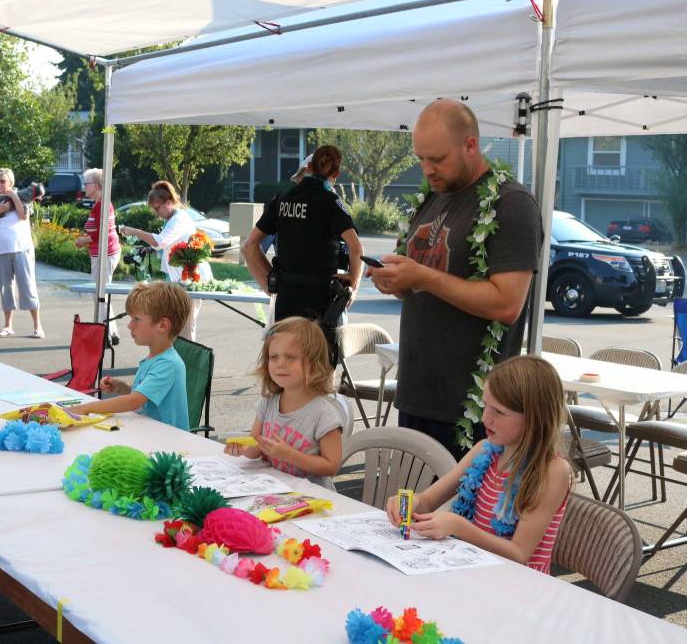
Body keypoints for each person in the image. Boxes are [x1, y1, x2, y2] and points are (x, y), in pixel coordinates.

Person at [368, 100, 543, 460]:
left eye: (437, 158)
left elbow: (507, 304)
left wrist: (423, 277)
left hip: (474, 408)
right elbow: (430, 284)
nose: (427, 169)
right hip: (418, 392)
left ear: (470, 146)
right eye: (420, 158)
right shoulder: (432, 197)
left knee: (457, 515)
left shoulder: (511, 204)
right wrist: (400, 282)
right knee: (412, 510)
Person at [385, 356, 572, 574]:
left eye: (498, 412)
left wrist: (458, 526)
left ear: (534, 417)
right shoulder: (485, 450)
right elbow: (427, 500)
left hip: (520, 584)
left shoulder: (552, 470)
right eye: (485, 406)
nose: (485, 418)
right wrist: (408, 502)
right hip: (474, 568)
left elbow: (519, 554)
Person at [242, 145, 364, 324]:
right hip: (321, 299)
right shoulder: (331, 202)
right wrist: (353, 284)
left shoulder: (281, 198)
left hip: (286, 298)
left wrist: (271, 280)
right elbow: (357, 248)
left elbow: (249, 246)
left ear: (310, 168)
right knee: (319, 351)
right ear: (336, 175)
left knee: (287, 350)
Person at [223, 317, 345, 490]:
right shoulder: (267, 403)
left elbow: (331, 466)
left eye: (291, 357)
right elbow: (255, 448)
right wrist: (242, 448)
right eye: (274, 357)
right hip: (274, 489)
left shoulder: (324, 414)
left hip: (312, 498)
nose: (280, 364)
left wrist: (289, 455)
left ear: (313, 363)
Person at [68, 282, 190, 431]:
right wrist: (121, 387)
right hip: (151, 434)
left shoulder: (168, 364)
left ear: (163, 326)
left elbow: (134, 401)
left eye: (136, 319)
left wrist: (86, 408)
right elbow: (145, 398)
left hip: (168, 445)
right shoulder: (156, 359)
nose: (130, 325)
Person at [119, 181, 211, 341]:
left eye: (157, 208)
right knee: (178, 323)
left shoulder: (179, 219)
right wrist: (149, 249)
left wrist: (134, 231)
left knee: (186, 324)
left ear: (168, 202)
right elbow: (166, 243)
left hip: (190, 277)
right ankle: (179, 359)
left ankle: (186, 361)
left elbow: (160, 241)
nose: (156, 213)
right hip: (181, 277)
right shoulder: (172, 218)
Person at [0, 168, 43, 339]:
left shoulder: (22, 197)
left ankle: (37, 326)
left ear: (11, 183)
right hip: (0, 249)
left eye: (3, 181)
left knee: (27, 286)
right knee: (5, 287)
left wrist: (12, 196)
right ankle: (8, 325)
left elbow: (23, 216)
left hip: (22, 248)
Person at [75, 168, 121, 346]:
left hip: (105, 253)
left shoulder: (102, 205)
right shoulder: (100, 204)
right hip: (104, 252)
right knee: (101, 294)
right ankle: (112, 331)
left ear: (97, 185)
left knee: (99, 294)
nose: (84, 186)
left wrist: (83, 240)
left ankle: (106, 334)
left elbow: (102, 232)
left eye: (87, 183)